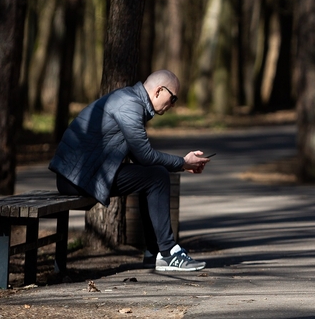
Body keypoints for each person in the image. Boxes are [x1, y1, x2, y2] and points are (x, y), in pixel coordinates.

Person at [49, 69, 210, 272]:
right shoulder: (130, 105)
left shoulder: (131, 101)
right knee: (156, 176)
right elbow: (144, 155)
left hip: (81, 174)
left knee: (153, 175)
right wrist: (183, 163)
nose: (174, 105)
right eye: (173, 98)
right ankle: (167, 253)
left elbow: (140, 157)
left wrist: (182, 164)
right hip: (75, 178)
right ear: (159, 91)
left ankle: (154, 253)